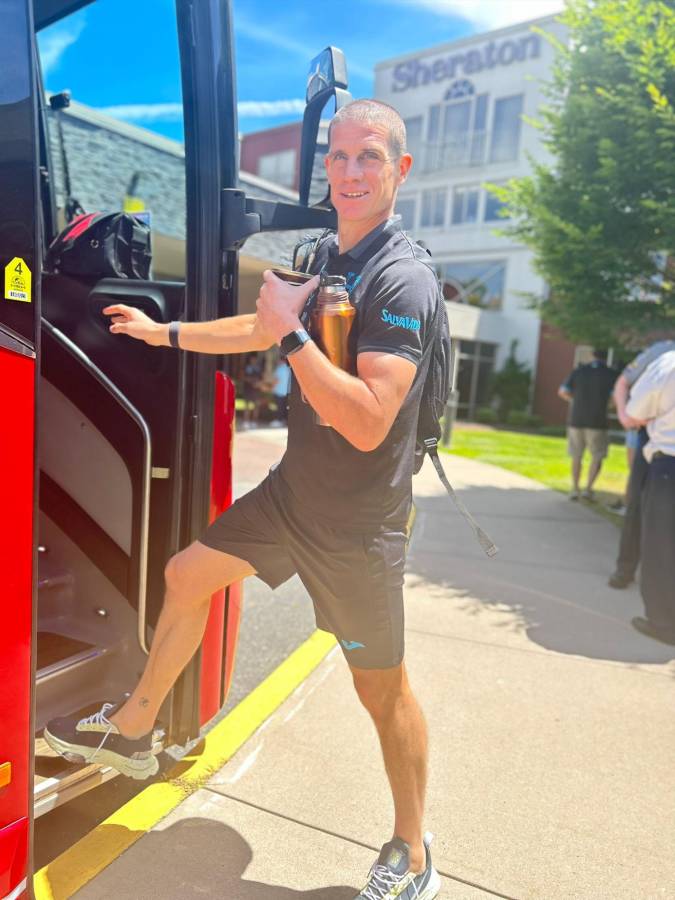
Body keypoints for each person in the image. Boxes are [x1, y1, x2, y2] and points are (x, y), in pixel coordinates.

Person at [44, 100, 442, 900]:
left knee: (382, 691)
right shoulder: (326, 252)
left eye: (369, 157)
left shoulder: (403, 277)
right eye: (337, 157)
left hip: (357, 527)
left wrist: (292, 338)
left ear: (399, 170)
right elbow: (260, 327)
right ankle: (133, 734)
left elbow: (365, 423)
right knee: (188, 574)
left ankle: (412, 848)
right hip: (294, 496)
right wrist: (167, 336)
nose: (349, 172)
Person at [608, 338, 675, 588]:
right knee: (637, 502)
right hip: (654, 434)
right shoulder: (662, 351)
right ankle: (625, 569)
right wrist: (625, 416)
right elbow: (623, 382)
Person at [623, 350, 675, 644]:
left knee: (662, 547)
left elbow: (634, 414)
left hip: (670, 464)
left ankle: (664, 623)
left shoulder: (668, 363)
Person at [558, 349, 619, 501]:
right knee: (597, 456)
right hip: (598, 421)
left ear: (592, 355)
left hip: (576, 419)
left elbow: (562, 391)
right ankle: (588, 489)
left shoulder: (579, 371)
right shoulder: (611, 374)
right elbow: (615, 398)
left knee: (576, 455)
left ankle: (574, 488)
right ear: (606, 357)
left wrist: (575, 400)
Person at [269, 357, 291, 426]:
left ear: (281, 360)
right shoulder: (289, 369)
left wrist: (271, 388)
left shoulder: (279, 369)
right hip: (287, 391)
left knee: (279, 407)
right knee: (285, 407)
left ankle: (278, 420)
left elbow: (276, 380)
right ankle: (284, 420)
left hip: (279, 391)